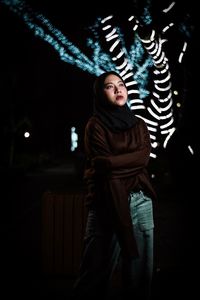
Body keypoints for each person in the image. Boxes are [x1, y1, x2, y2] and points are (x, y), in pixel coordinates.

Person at [72, 71, 156, 300]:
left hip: (140, 202)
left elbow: (144, 158)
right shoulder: (95, 126)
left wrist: (109, 162)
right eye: (110, 86)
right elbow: (117, 171)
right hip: (106, 204)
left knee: (141, 278)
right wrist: (129, 163)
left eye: (121, 84)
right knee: (94, 277)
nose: (119, 89)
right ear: (100, 94)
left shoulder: (139, 124)